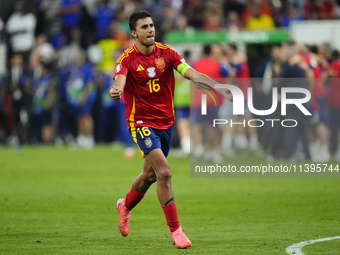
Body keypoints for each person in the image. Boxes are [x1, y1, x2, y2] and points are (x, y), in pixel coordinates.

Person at [110, 10, 233, 249]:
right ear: (134, 33)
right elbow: (119, 81)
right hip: (141, 123)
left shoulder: (167, 53)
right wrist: (115, 90)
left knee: (149, 176)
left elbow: (192, 74)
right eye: (144, 27)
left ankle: (124, 207)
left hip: (166, 123)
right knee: (164, 173)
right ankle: (176, 231)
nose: (150, 30)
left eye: (152, 25)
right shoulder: (126, 58)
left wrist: (216, 86)